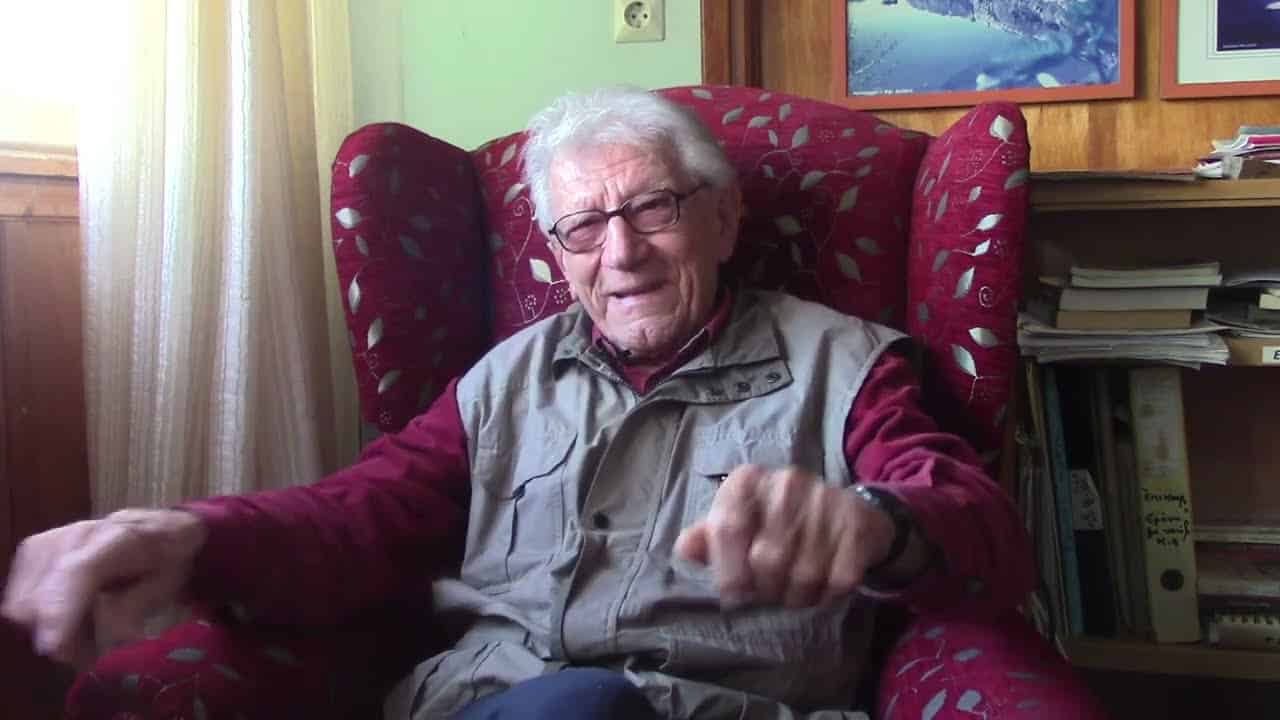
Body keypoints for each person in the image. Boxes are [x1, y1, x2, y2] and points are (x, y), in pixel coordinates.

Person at [3, 86, 1035, 719]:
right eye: (583, 227)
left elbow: (980, 527)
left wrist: (875, 525)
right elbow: (361, 513)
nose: (620, 253)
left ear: (722, 219)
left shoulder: (846, 363)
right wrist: (191, 537)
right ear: (554, 253)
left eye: (653, 209)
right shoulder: (503, 379)